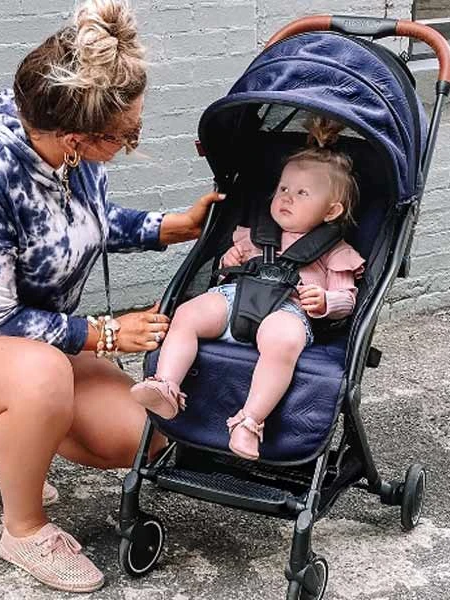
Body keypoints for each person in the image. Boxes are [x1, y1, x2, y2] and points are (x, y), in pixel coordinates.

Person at [0, 0, 222, 592]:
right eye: (126, 136)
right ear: (78, 138)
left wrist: (172, 226)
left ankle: (12, 438)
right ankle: (22, 528)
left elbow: (80, 226)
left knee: (140, 437)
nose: (130, 144)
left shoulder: (69, 154)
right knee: (42, 374)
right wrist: (106, 334)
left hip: (38, 350)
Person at [130, 119, 364, 461]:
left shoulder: (335, 252)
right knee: (188, 314)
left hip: (289, 310)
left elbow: (348, 299)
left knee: (282, 339)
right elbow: (227, 266)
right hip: (235, 298)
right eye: (284, 189)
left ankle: (250, 421)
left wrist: (327, 300)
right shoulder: (253, 233)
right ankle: (166, 385)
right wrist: (231, 259)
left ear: (332, 211)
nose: (287, 198)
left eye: (302, 194)